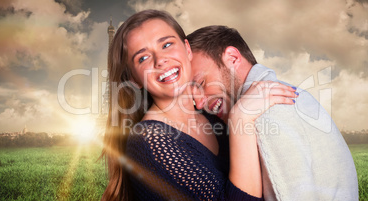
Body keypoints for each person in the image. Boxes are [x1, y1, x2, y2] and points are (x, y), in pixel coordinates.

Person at [101, 10, 297, 201]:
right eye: (142, 58)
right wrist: (241, 118)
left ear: (187, 49)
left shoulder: (212, 115)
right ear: (134, 79)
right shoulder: (150, 140)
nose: (160, 60)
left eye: (167, 44)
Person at [187, 25, 359, 201]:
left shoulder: (265, 117)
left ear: (232, 58)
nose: (199, 103)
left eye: (200, 83)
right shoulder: (293, 95)